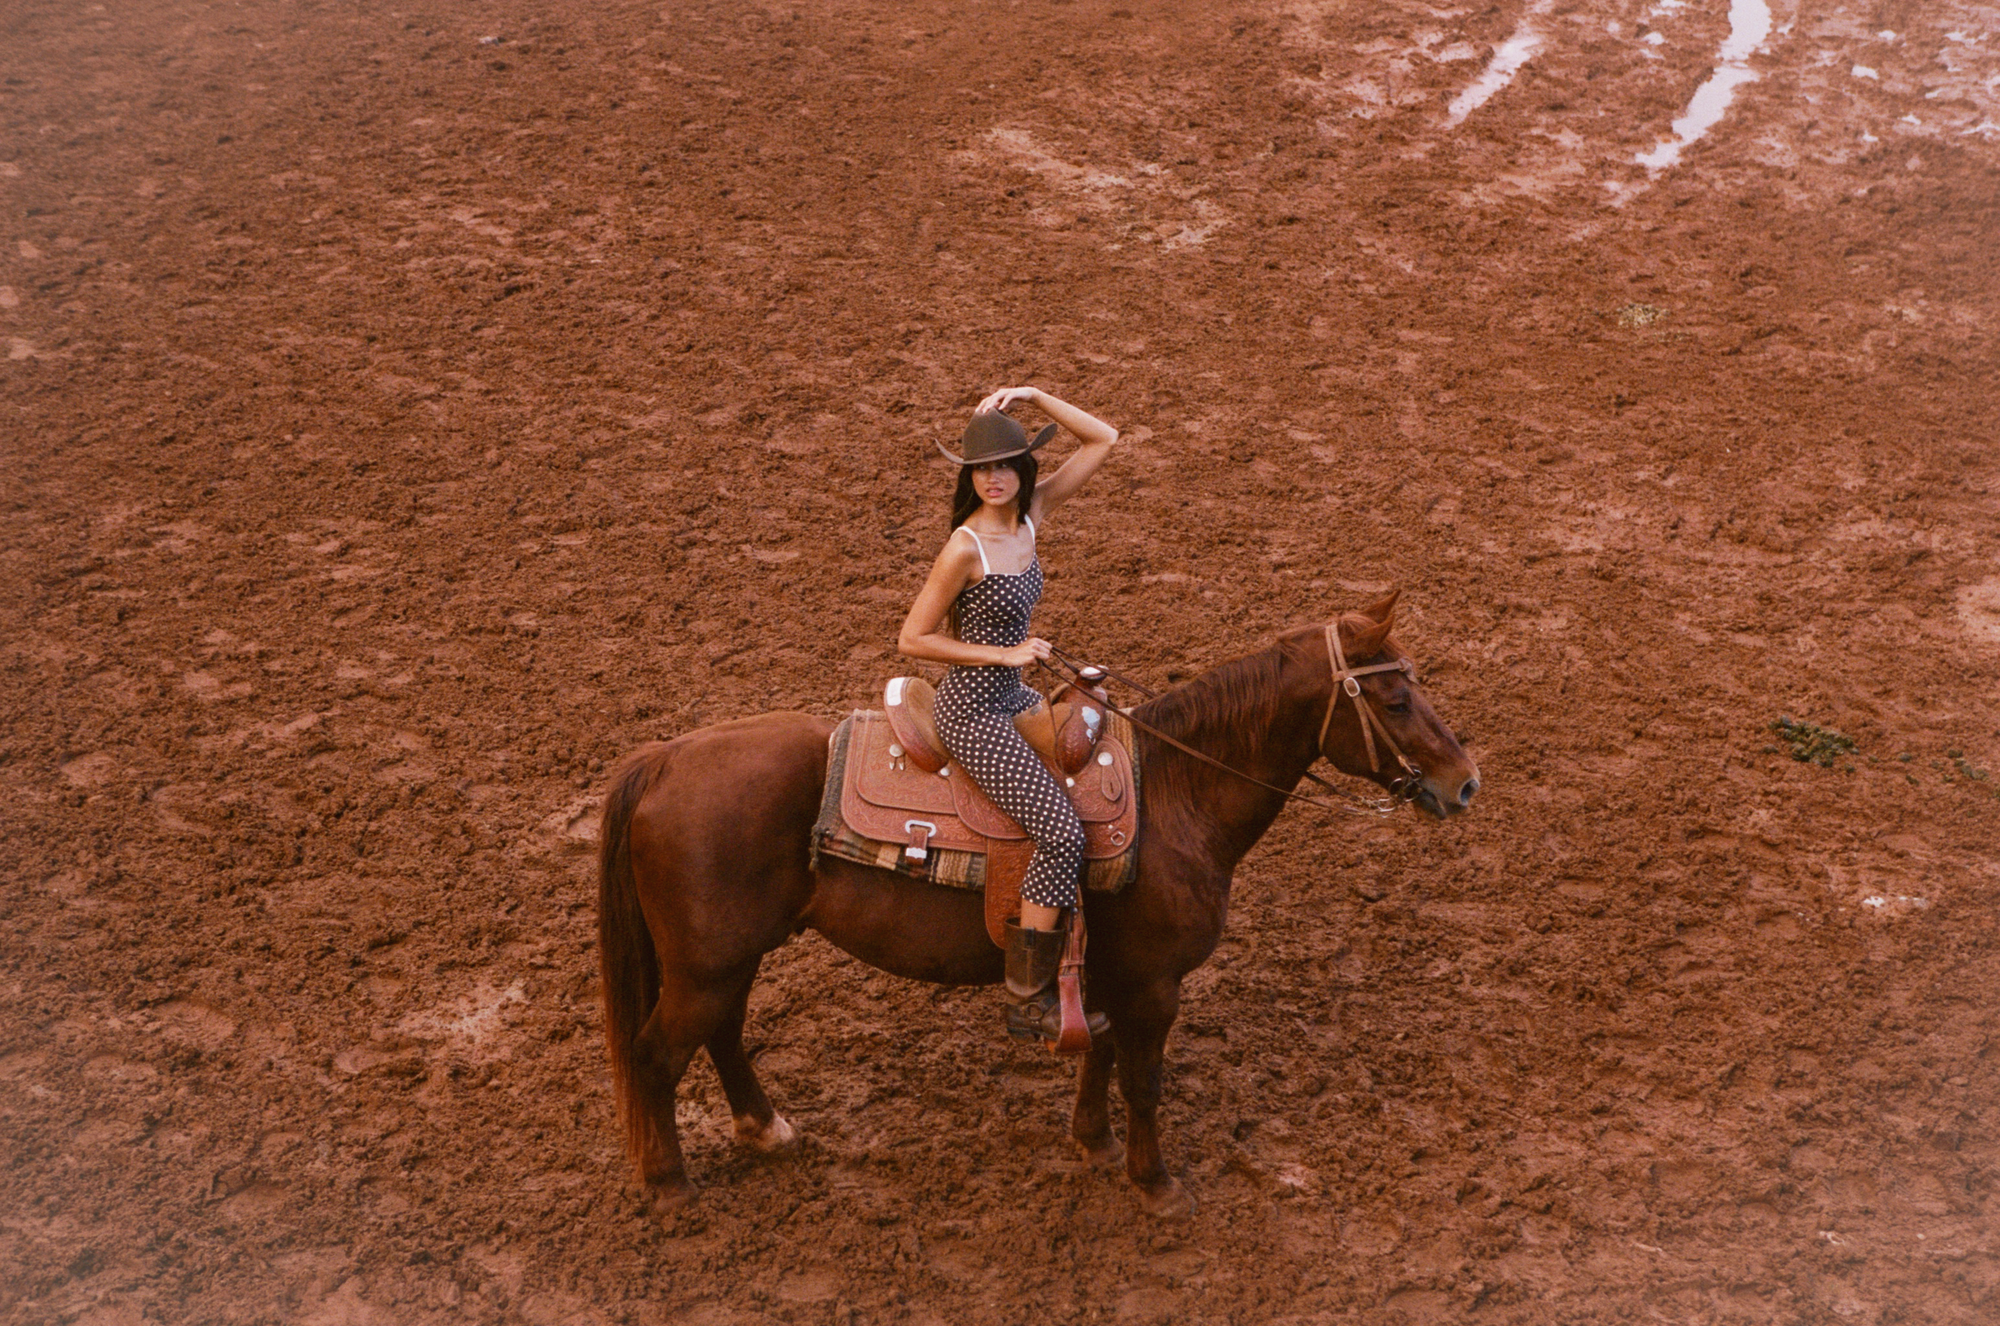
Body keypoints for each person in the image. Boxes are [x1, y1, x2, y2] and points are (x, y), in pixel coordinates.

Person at [898, 386, 1121, 1043]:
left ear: (1023, 469)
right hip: (972, 712)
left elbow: (1103, 438)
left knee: (1099, 750)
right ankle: (1027, 1000)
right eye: (981, 468)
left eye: (1005, 465)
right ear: (968, 477)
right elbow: (912, 637)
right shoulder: (965, 548)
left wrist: (1033, 394)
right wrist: (1004, 655)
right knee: (1061, 832)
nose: (993, 478)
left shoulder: (1031, 515)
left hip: (1016, 698)